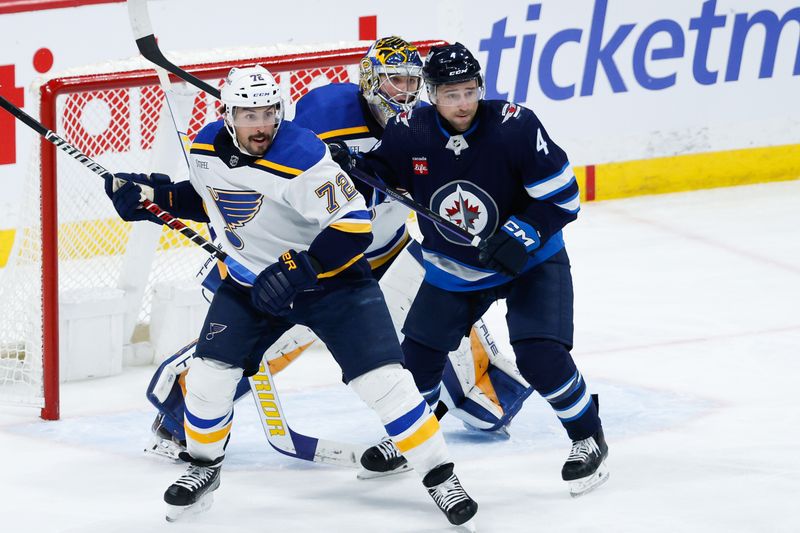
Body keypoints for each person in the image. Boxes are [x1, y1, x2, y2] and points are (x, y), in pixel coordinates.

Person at [105, 64, 478, 527]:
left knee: (386, 384)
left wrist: (302, 268)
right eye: (248, 114)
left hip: (335, 283)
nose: (260, 125)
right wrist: (151, 197)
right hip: (250, 283)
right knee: (207, 379)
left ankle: (441, 477)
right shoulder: (204, 147)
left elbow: (354, 226)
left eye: (267, 112)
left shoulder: (304, 155)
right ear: (226, 114)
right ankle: (204, 467)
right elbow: (211, 201)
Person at [145, 37, 532, 479]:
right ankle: (178, 413)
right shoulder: (327, 115)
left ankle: (484, 396)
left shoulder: (433, 125)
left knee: (445, 328)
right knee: (264, 338)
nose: (404, 93)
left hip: (388, 249)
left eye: (412, 82)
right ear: (370, 82)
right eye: (394, 82)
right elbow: (262, 170)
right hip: (317, 256)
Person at [333, 43, 610, 497]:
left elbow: (564, 198)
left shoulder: (514, 127)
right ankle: (412, 441)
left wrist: (522, 234)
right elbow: (378, 180)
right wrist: (353, 169)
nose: (462, 103)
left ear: (480, 87)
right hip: (454, 269)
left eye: (469, 91)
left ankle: (587, 437)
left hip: (531, 264)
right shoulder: (410, 130)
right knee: (417, 362)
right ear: (432, 94)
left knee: (541, 356)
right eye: (450, 94)